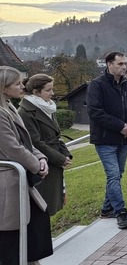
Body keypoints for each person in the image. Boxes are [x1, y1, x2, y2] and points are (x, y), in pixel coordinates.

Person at [0, 66, 53, 264]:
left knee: (31, 227)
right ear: (4, 88)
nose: (22, 86)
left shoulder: (9, 106)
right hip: (8, 183)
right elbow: (12, 147)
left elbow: (26, 141)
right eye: (17, 84)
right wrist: (36, 165)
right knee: (12, 237)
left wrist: (41, 158)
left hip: (19, 180)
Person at [87, 51, 127, 229]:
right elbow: (95, 112)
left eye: (125, 63)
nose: (124, 67)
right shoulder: (97, 85)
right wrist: (120, 126)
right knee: (113, 175)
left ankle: (106, 208)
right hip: (105, 139)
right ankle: (120, 212)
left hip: (124, 139)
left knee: (117, 175)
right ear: (109, 64)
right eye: (120, 64)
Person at [18, 74, 73, 217]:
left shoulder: (47, 107)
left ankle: (48, 236)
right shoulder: (26, 112)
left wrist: (65, 154)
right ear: (36, 92)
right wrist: (59, 158)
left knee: (51, 204)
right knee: (42, 205)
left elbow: (55, 136)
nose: (52, 93)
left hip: (52, 160)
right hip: (42, 164)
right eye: (48, 90)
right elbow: (35, 142)